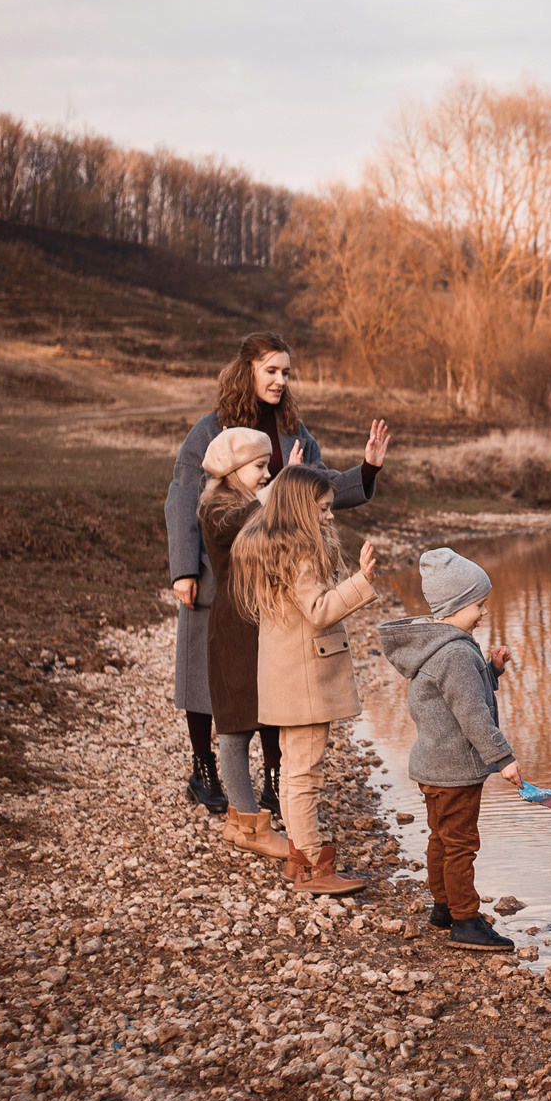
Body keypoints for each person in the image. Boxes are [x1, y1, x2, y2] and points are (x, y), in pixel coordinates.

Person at [164, 331, 391, 815]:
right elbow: (184, 497)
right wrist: (183, 569)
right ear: (247, 370)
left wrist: (366, 471)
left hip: (268, 576)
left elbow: (316, 485)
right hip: (215, 571)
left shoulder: (294, 429)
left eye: (286, 372)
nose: (280, 380)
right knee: (207, 679)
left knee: (268, 676)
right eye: (271, 370)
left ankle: (274, 779)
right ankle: (204, 772)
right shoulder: (209, 429)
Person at [231, 464, 378, 896]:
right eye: (324, 509)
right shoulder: (300, 553)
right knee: (305, 774)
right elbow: (318, 611)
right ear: (300, 508)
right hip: (307, 679)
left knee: (295, 768)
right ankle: (312, 865)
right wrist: (361, 582)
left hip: (287, 674)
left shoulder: (273, 546)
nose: (331, 516)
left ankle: (301, 857)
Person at [378, 547, 520, 953]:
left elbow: (454, 696)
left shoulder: (434, 643)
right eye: (479, 604)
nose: (483, 612)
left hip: (431, 767)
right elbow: (472, 713)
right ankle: (465, 920)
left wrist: (491, 670)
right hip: (456, 770)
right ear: (457, 605)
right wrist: (504, 759)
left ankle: (443, 906)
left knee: (441, 838)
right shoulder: (457, 652)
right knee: (460, 844)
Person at [195, 426, 290, 861]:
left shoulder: (246, 502)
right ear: (233, 469)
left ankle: (239, 819)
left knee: (264, 714)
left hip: (258, 623)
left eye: (269, 467)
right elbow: (248, 522)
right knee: (235, 728)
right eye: (259, 467)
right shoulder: (218, 508)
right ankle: (250, 824)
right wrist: (281, 494)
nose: (267, 474)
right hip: (234, 628)